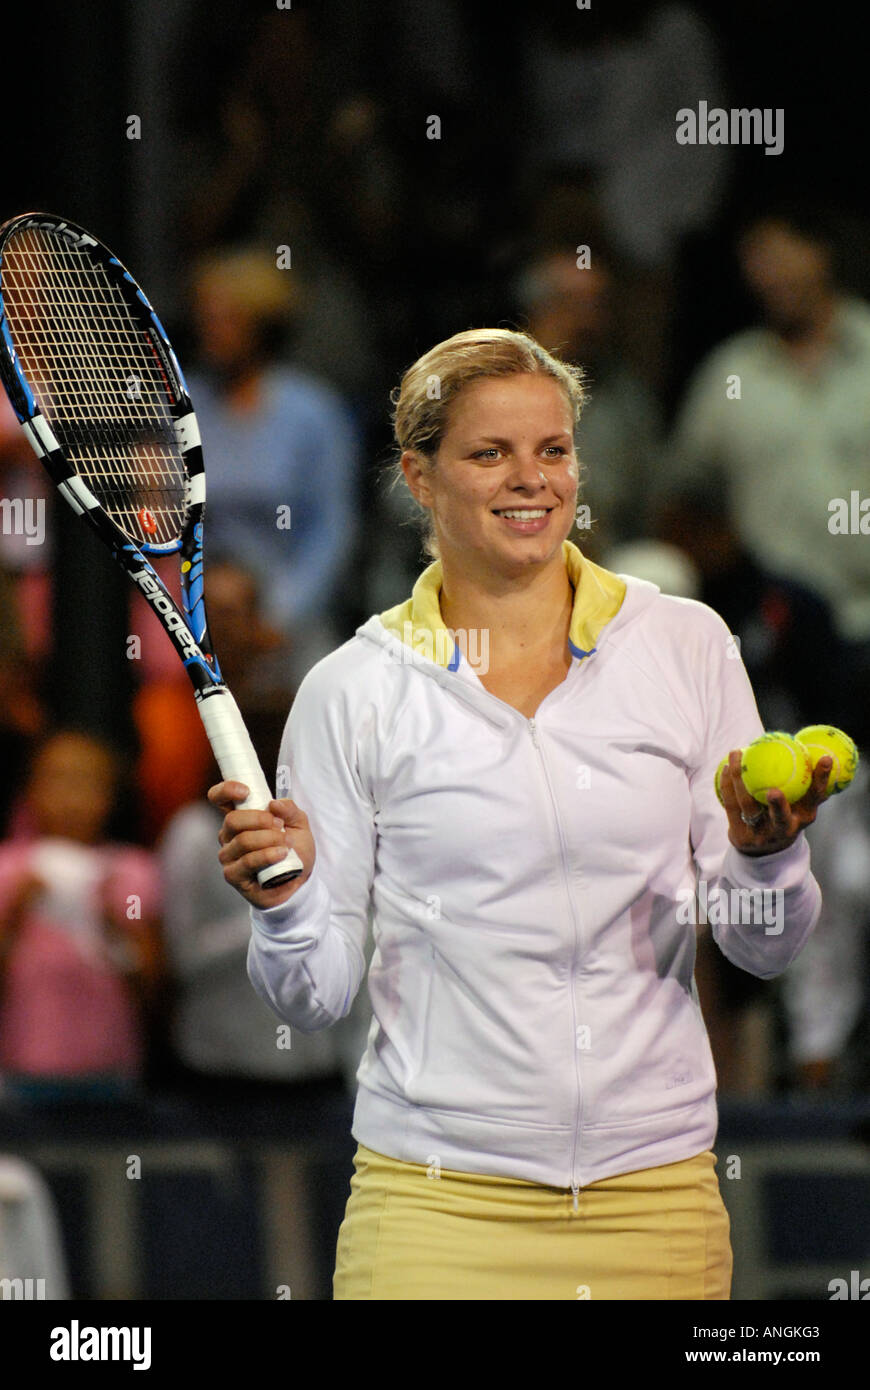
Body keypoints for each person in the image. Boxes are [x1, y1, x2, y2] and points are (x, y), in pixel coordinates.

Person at [209, 329, 831, 1301]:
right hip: (433, 1209)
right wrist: (282, 905)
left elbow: (764, 951)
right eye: (489, 453)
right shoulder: (353, 690)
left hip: (653, 1202)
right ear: (418, 476)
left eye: (553, 449)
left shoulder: (686, 644)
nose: (531, 479)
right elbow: (314, 995)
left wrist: (765, 859)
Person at [0, 730, 162, 1101]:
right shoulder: (9, 871)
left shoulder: (132, 873)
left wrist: (113, 923)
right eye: (57, 779)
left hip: (109, 1068)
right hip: (21, 1067)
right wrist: (13, 916)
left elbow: (152, 988)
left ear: (111, 796)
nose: (71, 798)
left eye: (86, 782)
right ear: (30, 791)